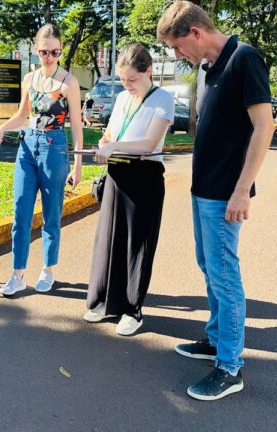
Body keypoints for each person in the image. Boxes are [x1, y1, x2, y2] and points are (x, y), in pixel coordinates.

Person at [157, 1, 274, 401]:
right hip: (203, 189)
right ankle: (215, 340)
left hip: (226, 192)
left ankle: (230, 366)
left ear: (196, 33)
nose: (177, 56)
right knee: (208, 265)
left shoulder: (244, 59)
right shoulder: (207, 69)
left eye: (176, 47)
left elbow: (264, 126)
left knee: (225, 274)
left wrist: (243, 189)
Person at [83, 44, 175, 337]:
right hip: (117, 174)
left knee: (138, 244)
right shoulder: (122, 98)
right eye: (123, 80)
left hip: (144, 177)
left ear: (148, 71)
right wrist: (104, 143)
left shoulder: (163, 99)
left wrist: (114, 146)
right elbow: (111, 133)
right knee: (108, 241)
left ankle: (132, 310)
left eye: (132, 80)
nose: (127, 85)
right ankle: (100, 301)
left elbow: (150, 144)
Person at [0, 24, 83, 296]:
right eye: (44, 52)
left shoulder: (69, 83)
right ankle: (17, 273)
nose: (49, 57)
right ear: (35, 50)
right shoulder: (29, 79)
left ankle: (47, 269)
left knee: (52, 213)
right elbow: (21, 115)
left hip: (55, 149)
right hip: (27, 147)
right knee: (21, 212)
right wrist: (1, 129)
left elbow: (76, 125)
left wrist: (77, 166)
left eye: (55, 51)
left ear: (61, 50)